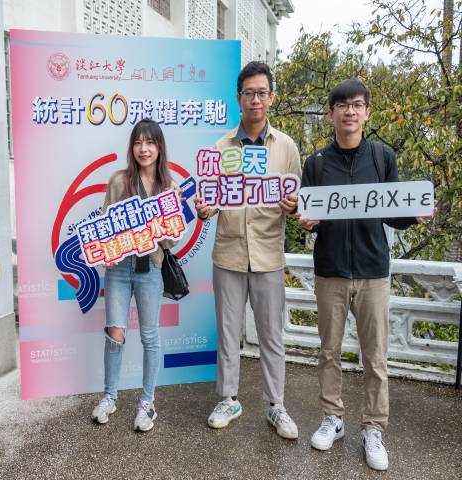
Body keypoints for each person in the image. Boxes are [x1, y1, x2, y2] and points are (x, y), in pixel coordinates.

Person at [296, 79, 436, 471]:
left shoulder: (381, 156)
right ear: (331, 114)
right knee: (328, 351)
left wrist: (413, 215)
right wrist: (306, 222)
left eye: (357, 105)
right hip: (330, 271)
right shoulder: (316, 163)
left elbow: (392, 211)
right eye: (342, 105)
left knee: (375, 355)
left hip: (374, 271)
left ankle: (373, 429)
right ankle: (333, 418)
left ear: (367, 112)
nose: (350, 111)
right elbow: (309, 214)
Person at [194, 61, 302, 439]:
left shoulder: (286, 147)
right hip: (228, 255)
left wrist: (294, 206)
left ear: (271, 98)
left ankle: (277, 405)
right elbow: (208, 201)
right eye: (248, 93)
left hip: (269, 256)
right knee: (228, 333)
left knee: (272, 335)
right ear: (238, 98)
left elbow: (297, 200)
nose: (255, 100)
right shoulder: (220, 148)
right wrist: (203, 209)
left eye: (262, 93)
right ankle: (228, 399)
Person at [91, 118, 181, 432]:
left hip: (150, 270)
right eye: (138, 142)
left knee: (149, 337)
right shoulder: (119, 181)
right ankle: (110, 396)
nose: (144, 149)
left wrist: (165, 223)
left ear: (159, 148)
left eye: (150, 142)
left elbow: (171, 242)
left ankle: (147, 403)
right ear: (132, 147)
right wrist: (106, 251)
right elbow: (104, 227)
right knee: (115, 334)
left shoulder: (169, 187)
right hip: (118, 270)